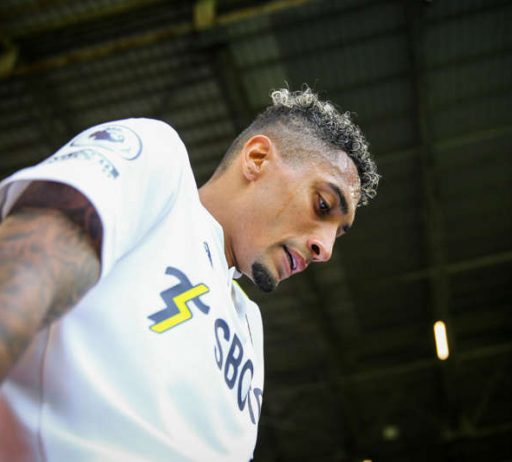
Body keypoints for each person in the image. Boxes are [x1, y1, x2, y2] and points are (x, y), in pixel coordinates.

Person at [0, 87, 379, 461]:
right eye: (323, 205)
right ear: (257, 159)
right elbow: (25, 266)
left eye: (337, 234)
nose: (325, 249)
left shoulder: (249, 326)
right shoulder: (162, 164)